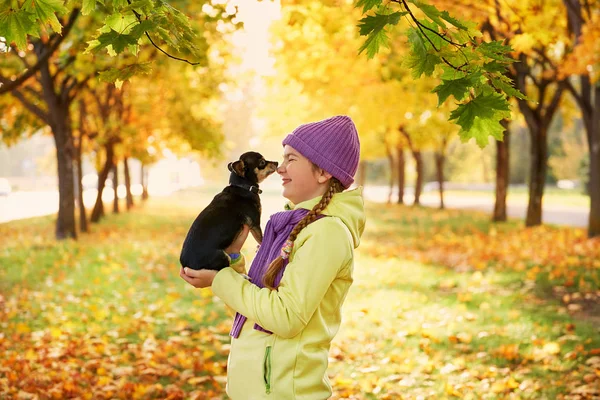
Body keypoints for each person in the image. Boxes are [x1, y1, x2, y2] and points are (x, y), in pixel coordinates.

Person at [180, 115, 366, 399]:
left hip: (282, 392)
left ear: (322, 172)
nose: (280, 169)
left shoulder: (326, 232)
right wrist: (230, 258)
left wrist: (220, 280)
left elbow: (286, 316)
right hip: (257, 390)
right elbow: (259, 296)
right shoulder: (291, 224)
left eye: (291, 159)